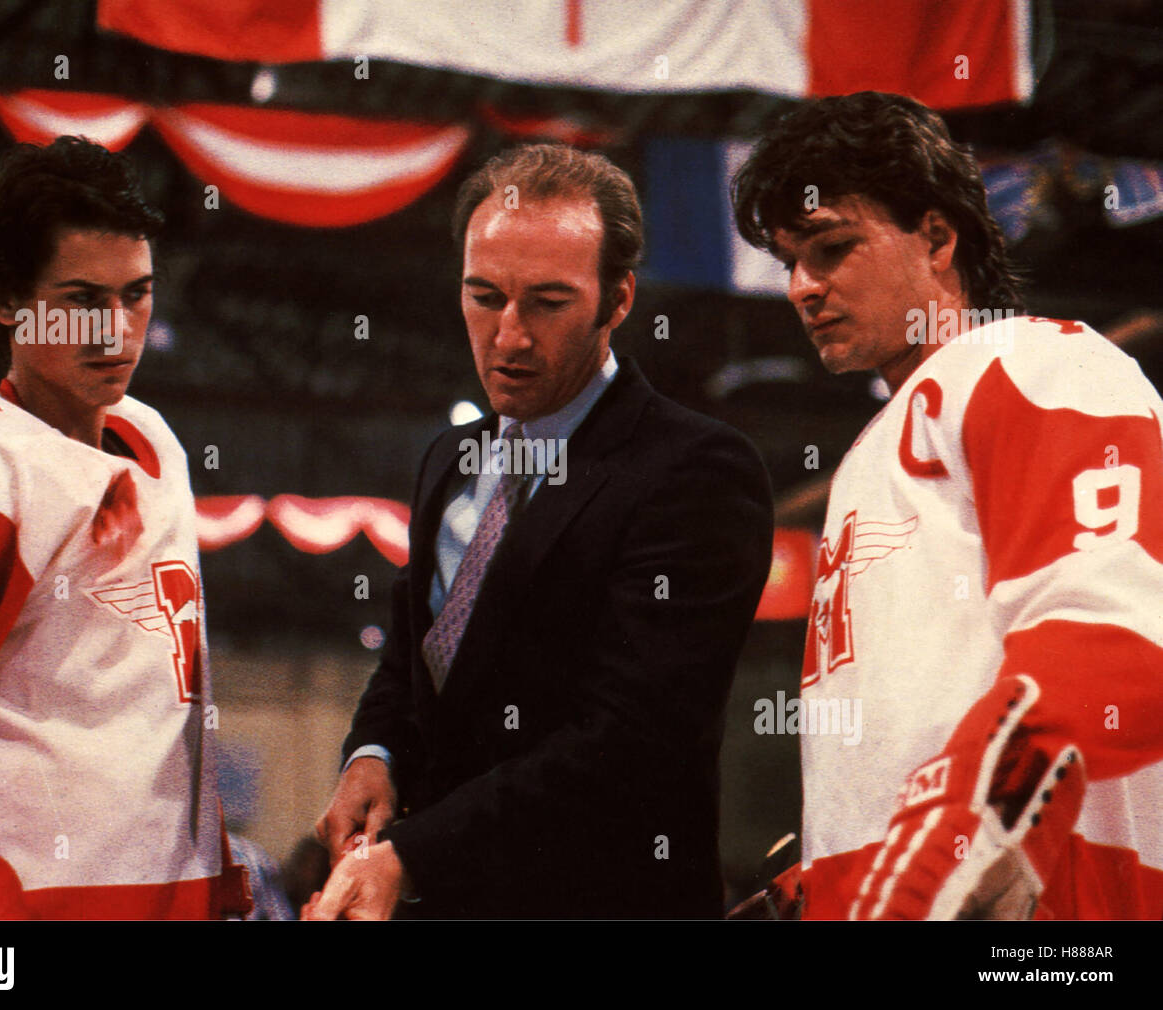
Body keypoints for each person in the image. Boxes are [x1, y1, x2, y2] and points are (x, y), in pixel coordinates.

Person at [306, 143, 774, 919]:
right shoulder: (450, 461)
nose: (510, 336)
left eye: (548, 303)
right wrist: (372, 754)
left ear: (618, 300)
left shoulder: (695, 471)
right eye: (484, 296)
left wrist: (414, 857)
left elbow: (632, 742)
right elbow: (414, 656)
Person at [732, 91, 1163, 919]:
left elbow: (1115, 645)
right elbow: (916, 724)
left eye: (831, 248)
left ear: (936, 237)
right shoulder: (876, 446)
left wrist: (934, 863)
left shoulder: (1034, 360)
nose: (800, 288)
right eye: (789, 261)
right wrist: (822, 882)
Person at [0, 136, 248, 919]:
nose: (116, 331)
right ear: (8, 300)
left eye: (136, 294)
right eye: (81, 300)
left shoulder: (158, 442)